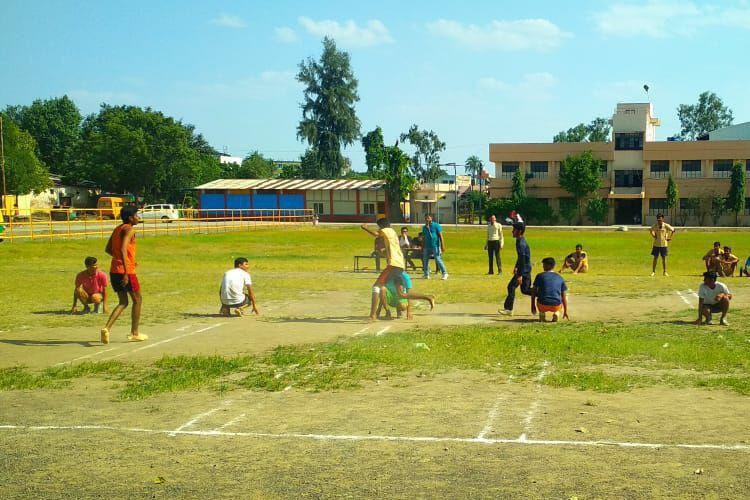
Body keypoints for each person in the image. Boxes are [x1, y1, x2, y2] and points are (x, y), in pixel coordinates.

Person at [100, 206, 147, 344]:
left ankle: (106, 328)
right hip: (125, 271)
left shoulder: (117, 229)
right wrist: (126, 269)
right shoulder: (129, 229)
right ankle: (134, 333)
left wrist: (122, 260)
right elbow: (122, 248)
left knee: (123, 302)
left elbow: (108, 249)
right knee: (137, 300)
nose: (138, 218)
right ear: (130, 218)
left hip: (114, 270)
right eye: (136, 215)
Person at [361, 218, 406, 321]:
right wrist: (383, 252)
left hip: (393, 264)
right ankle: (428, 297)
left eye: (379, 226)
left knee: (376, 287)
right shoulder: (392, 232)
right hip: (399, 264)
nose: (379, 229)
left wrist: (365, 228)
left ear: (382, 226)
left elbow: (376, 234)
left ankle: (372, 315)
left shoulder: (386, 230)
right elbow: (390, 249)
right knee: (395, 291)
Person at [499, 221, 532, 316]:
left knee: (511, 286)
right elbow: (521, 258)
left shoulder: (521, 243)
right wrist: (516, 267)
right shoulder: (519, 240)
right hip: (525, 269)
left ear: (520, 231)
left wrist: (520, 275)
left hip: (524, 270)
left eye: (514, 230)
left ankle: (508, 309)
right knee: (525, 290)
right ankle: (547, 294)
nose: (512, 232)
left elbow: (522, 259)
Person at [531, 257, 569, 322]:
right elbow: (563, 296)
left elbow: (533, 291)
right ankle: (557, 312)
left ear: (547, 265)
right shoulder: (560, 277)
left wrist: (532, 305)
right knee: (565, 296)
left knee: (541, 295)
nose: (543, 266)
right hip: (555, 305)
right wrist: (565, 311)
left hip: (542, 305)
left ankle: (542, 313)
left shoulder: (540, 276)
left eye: (543, 265)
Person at [421, 214, 448, 280]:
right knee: (425, 260)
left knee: (437, 259)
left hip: (435, 246)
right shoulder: (424, 227)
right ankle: (426, 274)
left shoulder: (436, 225)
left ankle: (445, 273)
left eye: (428, 218)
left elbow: (440, 236)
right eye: (426, 218)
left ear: (431, 218)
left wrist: (442, 245)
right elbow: (423, 238)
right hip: (427, 246)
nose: (427, 220)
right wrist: (422, 246)